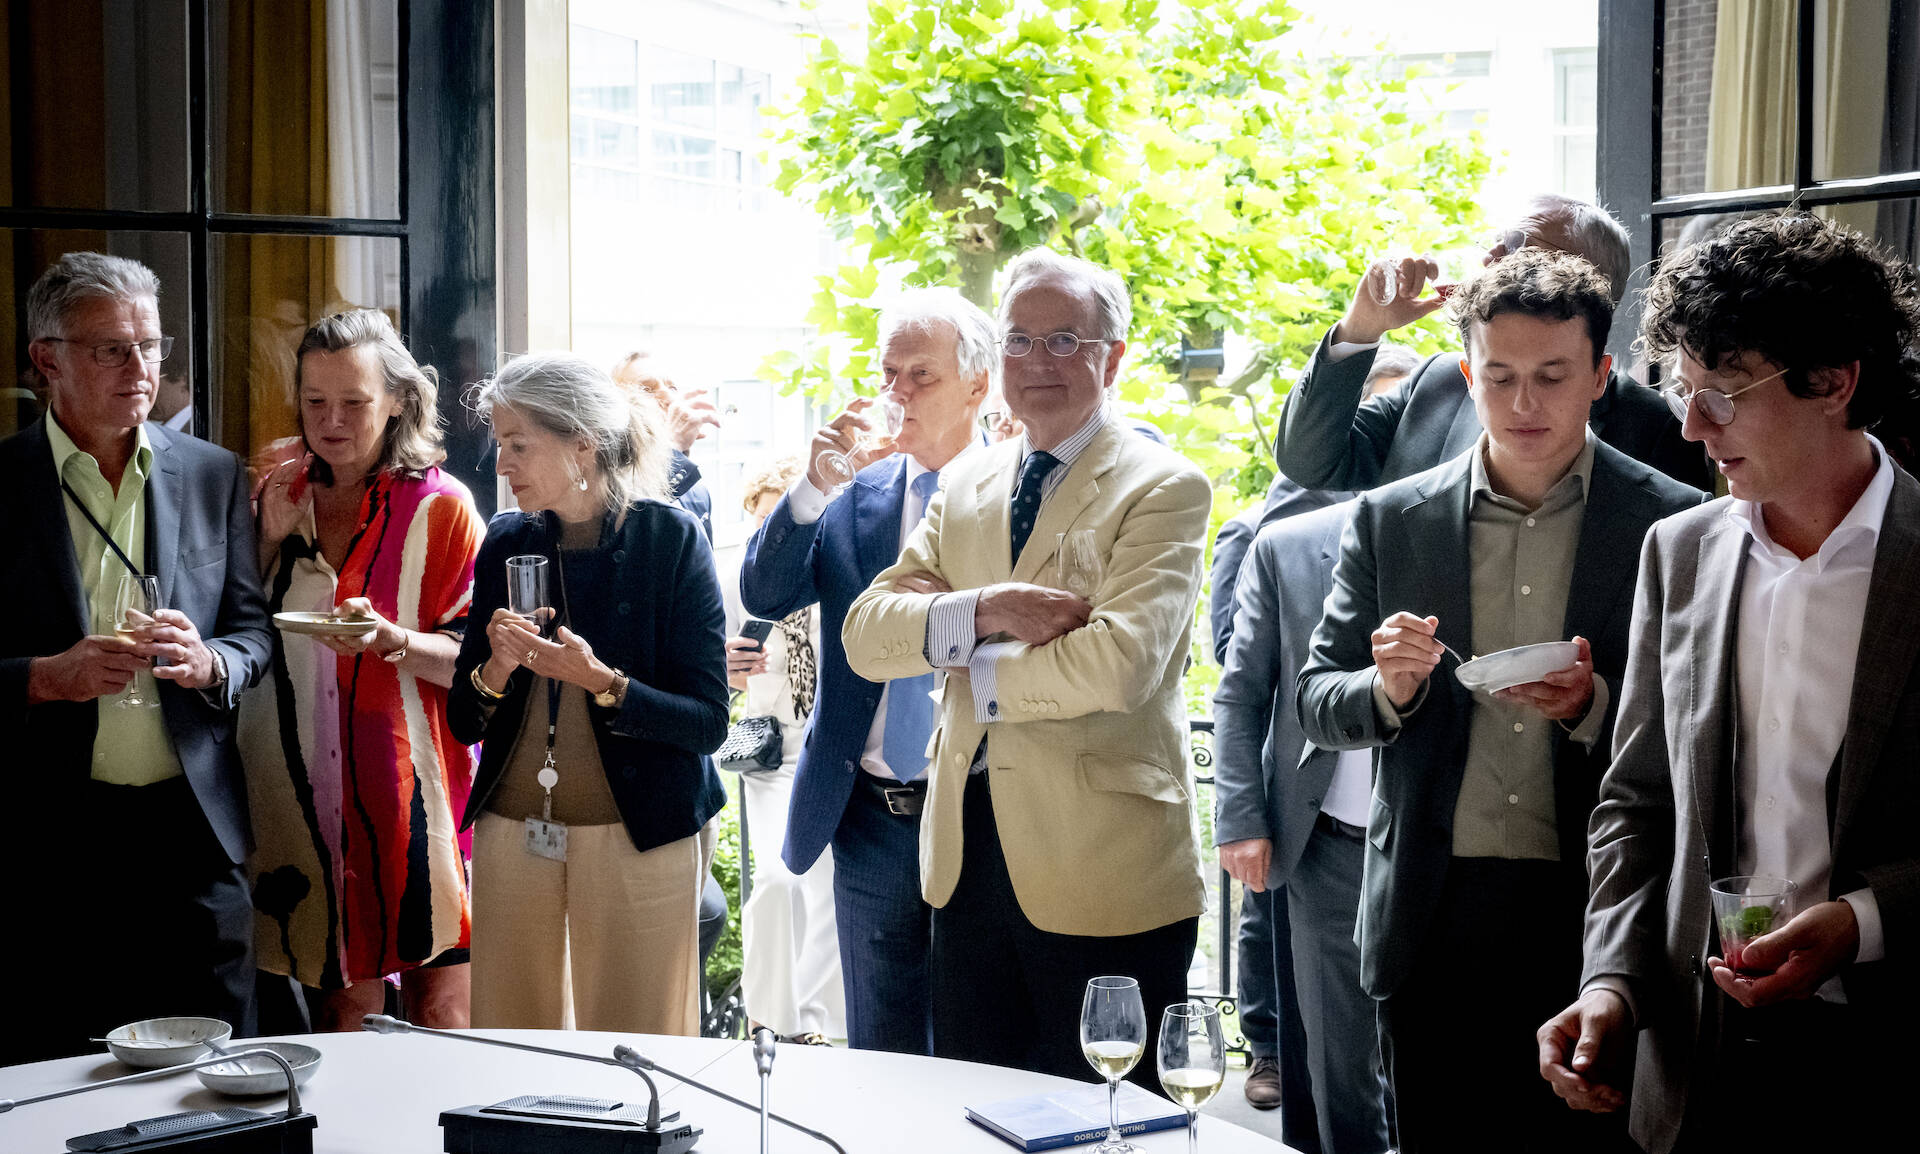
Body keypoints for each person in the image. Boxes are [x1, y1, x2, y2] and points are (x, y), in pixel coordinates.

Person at [1296, 249, 1702, 1150]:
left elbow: (1705, 727)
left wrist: (1595, 704)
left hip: (1597, 911)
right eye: (1500, 376)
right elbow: (1317, 699)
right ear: (1467, 372)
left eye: (1552, 376)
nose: (1524, 403)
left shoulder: (1674, 520)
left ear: (1600, 375)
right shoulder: (1391, 517)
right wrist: (1387, 688)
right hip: (1431, 912)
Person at [1538, 212, 1920, 1152]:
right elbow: (1635, 803)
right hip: (1696, 1061)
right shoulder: (1678, 553)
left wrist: (1862, 922)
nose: (1688, 424)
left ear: (1834, 382)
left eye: (1722, 393)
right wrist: (1610, 983)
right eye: (1683, 389)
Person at [842, 248, 1210, 1086]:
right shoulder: (965, 484)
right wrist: (988, 610)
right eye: (1018, 340)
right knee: (976, 1109)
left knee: (1113, 1119)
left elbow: (1118, 665)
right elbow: (866, 636)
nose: (1037, 361)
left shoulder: (1164, 487)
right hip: (965, 866)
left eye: (1064, 340)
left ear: (1113, 358)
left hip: (1104, 869)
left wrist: (961, 662)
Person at [0, 252, 273, 1063]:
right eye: (111, 349)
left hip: (191, 832)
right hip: (50, 837)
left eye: (151, 346)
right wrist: (45, 678)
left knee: (219, 1073)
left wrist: (211, 662)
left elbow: (253, 634)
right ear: (47, 358)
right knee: (60, 1073)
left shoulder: (213, 473)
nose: (141, 368)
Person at [738, 287, 994, 1055]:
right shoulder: (856, 498)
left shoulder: (1020, 495)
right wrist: (811, 489)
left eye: (921, 375)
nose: (897, 391)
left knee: (977, 1040)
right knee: (880, 1043)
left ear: (978, 385)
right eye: (889, 374)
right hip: (871, 816)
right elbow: (766, 594)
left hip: (984, 809)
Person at [449, 352, 729, 1035]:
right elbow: (464, 719)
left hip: (641, 832)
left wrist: (602, 684)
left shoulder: (670, 539)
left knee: (642, 1049)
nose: (501, 465)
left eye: (518, 445)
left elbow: (708, 723)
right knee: (513, 1048)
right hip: (513, 832)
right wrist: (496, 669)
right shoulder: (506, 539)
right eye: (499, 444)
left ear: (582, 444)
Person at [240, 309, 484, 1030]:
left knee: (443, 1006)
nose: (331, 421)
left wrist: (392, 640)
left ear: (399, 400)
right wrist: (264, 541)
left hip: (416, 793)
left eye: (353, 401)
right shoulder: (275, 495)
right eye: (315, 401)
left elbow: (479, 664)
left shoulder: (442, 510)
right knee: (343, 1008)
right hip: (299, 793)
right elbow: (231, 629)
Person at [1274, 193, 1710, 494]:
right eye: (1495, 242)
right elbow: (1308, 462)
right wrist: (1360, 329)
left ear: (1587, 278)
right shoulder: (1436, 383)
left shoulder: (1654, 430)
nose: (1490, 258)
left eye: (1518, 245)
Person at [1215, 497, 1389, 1154]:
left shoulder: (1466, 530)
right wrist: (1240, 817)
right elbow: (1241, 692)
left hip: (1444, 850)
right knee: (1336, 1071)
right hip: (1326, 845)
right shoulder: (1284, 545)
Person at [728, 455, 845, 1044]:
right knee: (778, 880)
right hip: (773, 756)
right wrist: (727, 667)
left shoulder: (833, 576)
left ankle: (819, 1026)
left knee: (825, 889)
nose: (769, 535)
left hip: (828, 752)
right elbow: (706, 666)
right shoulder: (740, 581)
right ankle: (769, 1020)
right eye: (760, 523)